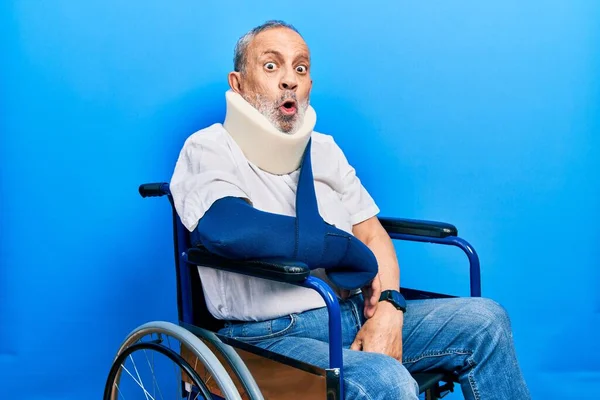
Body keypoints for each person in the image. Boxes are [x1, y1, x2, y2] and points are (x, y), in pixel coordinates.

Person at [170, 20, 531, 399]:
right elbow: (230, 230)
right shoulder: (209, 147)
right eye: (272, 66)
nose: (290, 79)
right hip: (272, 334)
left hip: (356, 312)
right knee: (385, 380)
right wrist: (344, 249)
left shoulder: (324, 149)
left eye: (301, 68)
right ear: (238, 83)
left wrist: (390, 308)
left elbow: (372, 234)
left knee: (485, 321)